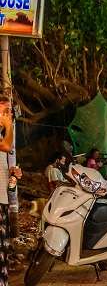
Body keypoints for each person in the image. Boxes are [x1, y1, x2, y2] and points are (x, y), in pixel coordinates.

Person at [0, 96, 20, 286]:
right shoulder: (5, 136)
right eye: (5, 111)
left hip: (3, 199)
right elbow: (7, 146)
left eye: (10, 112)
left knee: (3, 252)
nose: (9, 115)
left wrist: (13, 174)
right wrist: (10, 125)